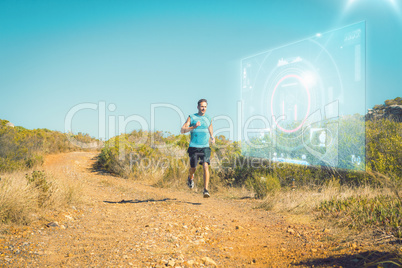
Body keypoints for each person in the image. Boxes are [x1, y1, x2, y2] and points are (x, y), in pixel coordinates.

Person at [180, 99, 215, 198]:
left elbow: (210, 127)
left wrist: (212, 136)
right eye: (201, 106)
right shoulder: (192, 117)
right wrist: (194, 127)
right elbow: (182, 130)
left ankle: (205, 190)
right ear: (198, 107)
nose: (203, 108)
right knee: (193, 168)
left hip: (205, 147)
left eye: (205, 106)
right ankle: (190, 178)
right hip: (194, 147)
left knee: (205, 166)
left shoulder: (208, 118)